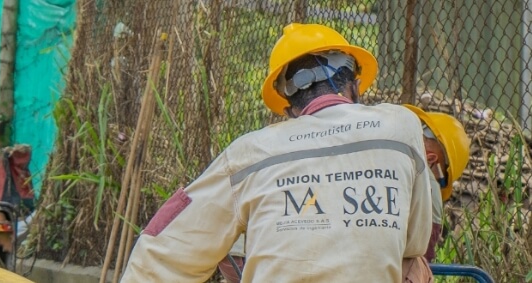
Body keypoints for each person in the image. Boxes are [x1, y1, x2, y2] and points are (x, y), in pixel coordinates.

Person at [120, 23, 438, 282]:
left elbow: (164, 249)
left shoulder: (252, 152)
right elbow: (415, 241)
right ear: (354, 87)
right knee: (414, 266)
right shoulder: (401, 127)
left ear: (289, 108)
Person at [215, 105, 472, 283]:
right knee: (418, 266)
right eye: (441, 179)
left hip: (242, 255)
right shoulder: (422, 172)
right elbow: (420, 252)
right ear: (432, 159)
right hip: (265, 261)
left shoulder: (341, 144)